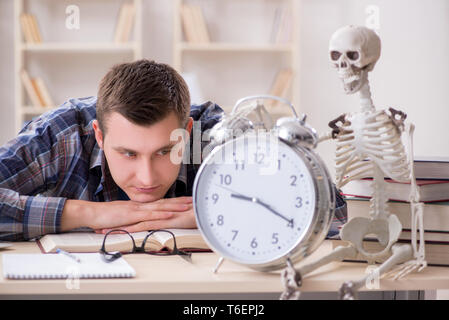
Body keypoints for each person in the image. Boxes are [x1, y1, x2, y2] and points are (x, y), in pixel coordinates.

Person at [0, 59, 346, 241]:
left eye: (165, 151)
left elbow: (332, 208)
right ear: (99, 136)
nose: (147, 178)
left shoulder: (214, 133)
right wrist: (90, 214)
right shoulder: (64, 133)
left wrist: (214, 213)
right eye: (128, 154)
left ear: (188, 133)